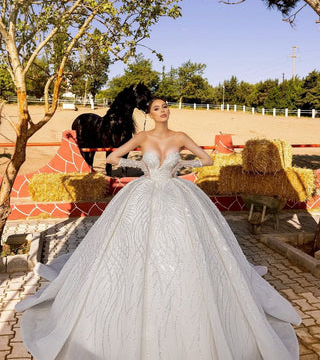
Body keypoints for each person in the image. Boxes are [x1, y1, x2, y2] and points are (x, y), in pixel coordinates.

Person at [16, 98, 301, 360]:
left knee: (185, 245)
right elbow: (113, 158)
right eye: (156, 108)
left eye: (165, 107)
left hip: (177, 192)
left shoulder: (180, 137)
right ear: (149, 114)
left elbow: (208, 159)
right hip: (145, 191)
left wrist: (180, 166)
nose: (162, 111)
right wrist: (140, 166)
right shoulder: (142, 137)